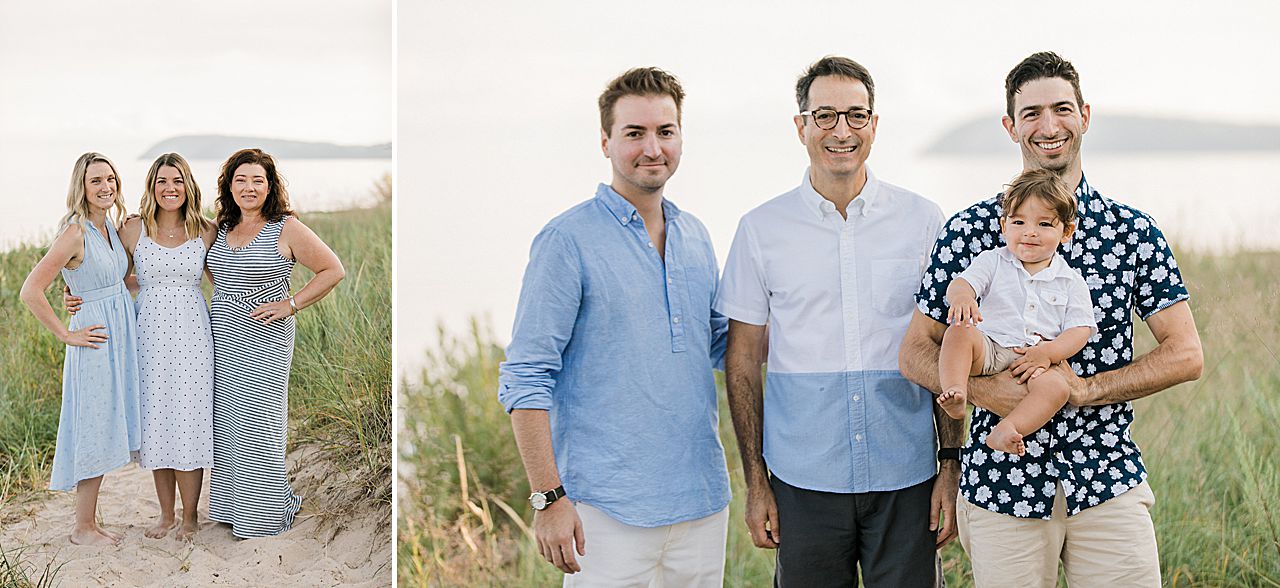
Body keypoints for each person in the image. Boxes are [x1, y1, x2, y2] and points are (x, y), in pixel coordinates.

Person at [899, 51, 1204, 586]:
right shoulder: (970, 230)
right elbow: (917, 350)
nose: (1048, 126)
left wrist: (1082, 389)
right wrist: (986, 393)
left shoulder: (1131, 231)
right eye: (1031, 113)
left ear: (1085, 115)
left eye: (1061, 109)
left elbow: (1186, 354)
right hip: (1001, 486)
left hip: (1106, 477)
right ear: (1010, 125)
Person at [716, 56, 960, 587]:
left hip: (908, 477)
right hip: (803, 481)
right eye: (825, 115)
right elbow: (741, 361)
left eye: (855, 115)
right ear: (801, 126)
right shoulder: (760, 230)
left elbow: (949, 349)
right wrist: (757, 482)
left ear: (875, 125)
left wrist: (950, 466)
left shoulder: (924, 221)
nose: (841, 131)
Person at [497, 67, 730, 586]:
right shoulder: (566, 240)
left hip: (701, 504)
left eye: (665, 132)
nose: (653, 148)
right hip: (604, 512)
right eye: (635, 133)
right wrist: (549, 499)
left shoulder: (695, 235)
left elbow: (720, 345)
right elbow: (525, 376)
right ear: (605, 141)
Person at [206, 148, 345, 538]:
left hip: (265, 341)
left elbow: (333, 269)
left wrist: (291, 303)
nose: (249, 188)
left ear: (270, 187)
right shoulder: (220, 227)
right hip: (223, 339)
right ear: (228, 186)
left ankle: (263, 517)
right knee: (230, 423)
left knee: (260, 425)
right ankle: (234, 508)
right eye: (241, 180)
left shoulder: (285, 228)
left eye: (258, 181)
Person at [19, 152, 140, 546]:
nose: (106, 187)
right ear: (81, 188)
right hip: (94, 339)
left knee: (105, 424)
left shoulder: (108, 228)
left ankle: (90, 522)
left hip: (118, 331)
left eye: (111, 179)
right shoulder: (75, 232)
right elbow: (30, 290)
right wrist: (67, 334)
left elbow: (115, 282)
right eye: (96, 181)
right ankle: (83, 528)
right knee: (93, 425)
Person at [936, 168, 1097, 456]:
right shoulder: (992, 261)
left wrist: (1049, 353)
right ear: (1004, 226)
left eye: (1045, 224)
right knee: (958, 332)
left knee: (1058, 389)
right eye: (1019, 221)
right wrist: (962, 298)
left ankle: (1008, 428)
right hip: (990, 348)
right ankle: (956, 392)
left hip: (1034, 359)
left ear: (1066, 232)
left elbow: (1080, 329)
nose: (1030, 232)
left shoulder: (1070, 280)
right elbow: (962, 283)